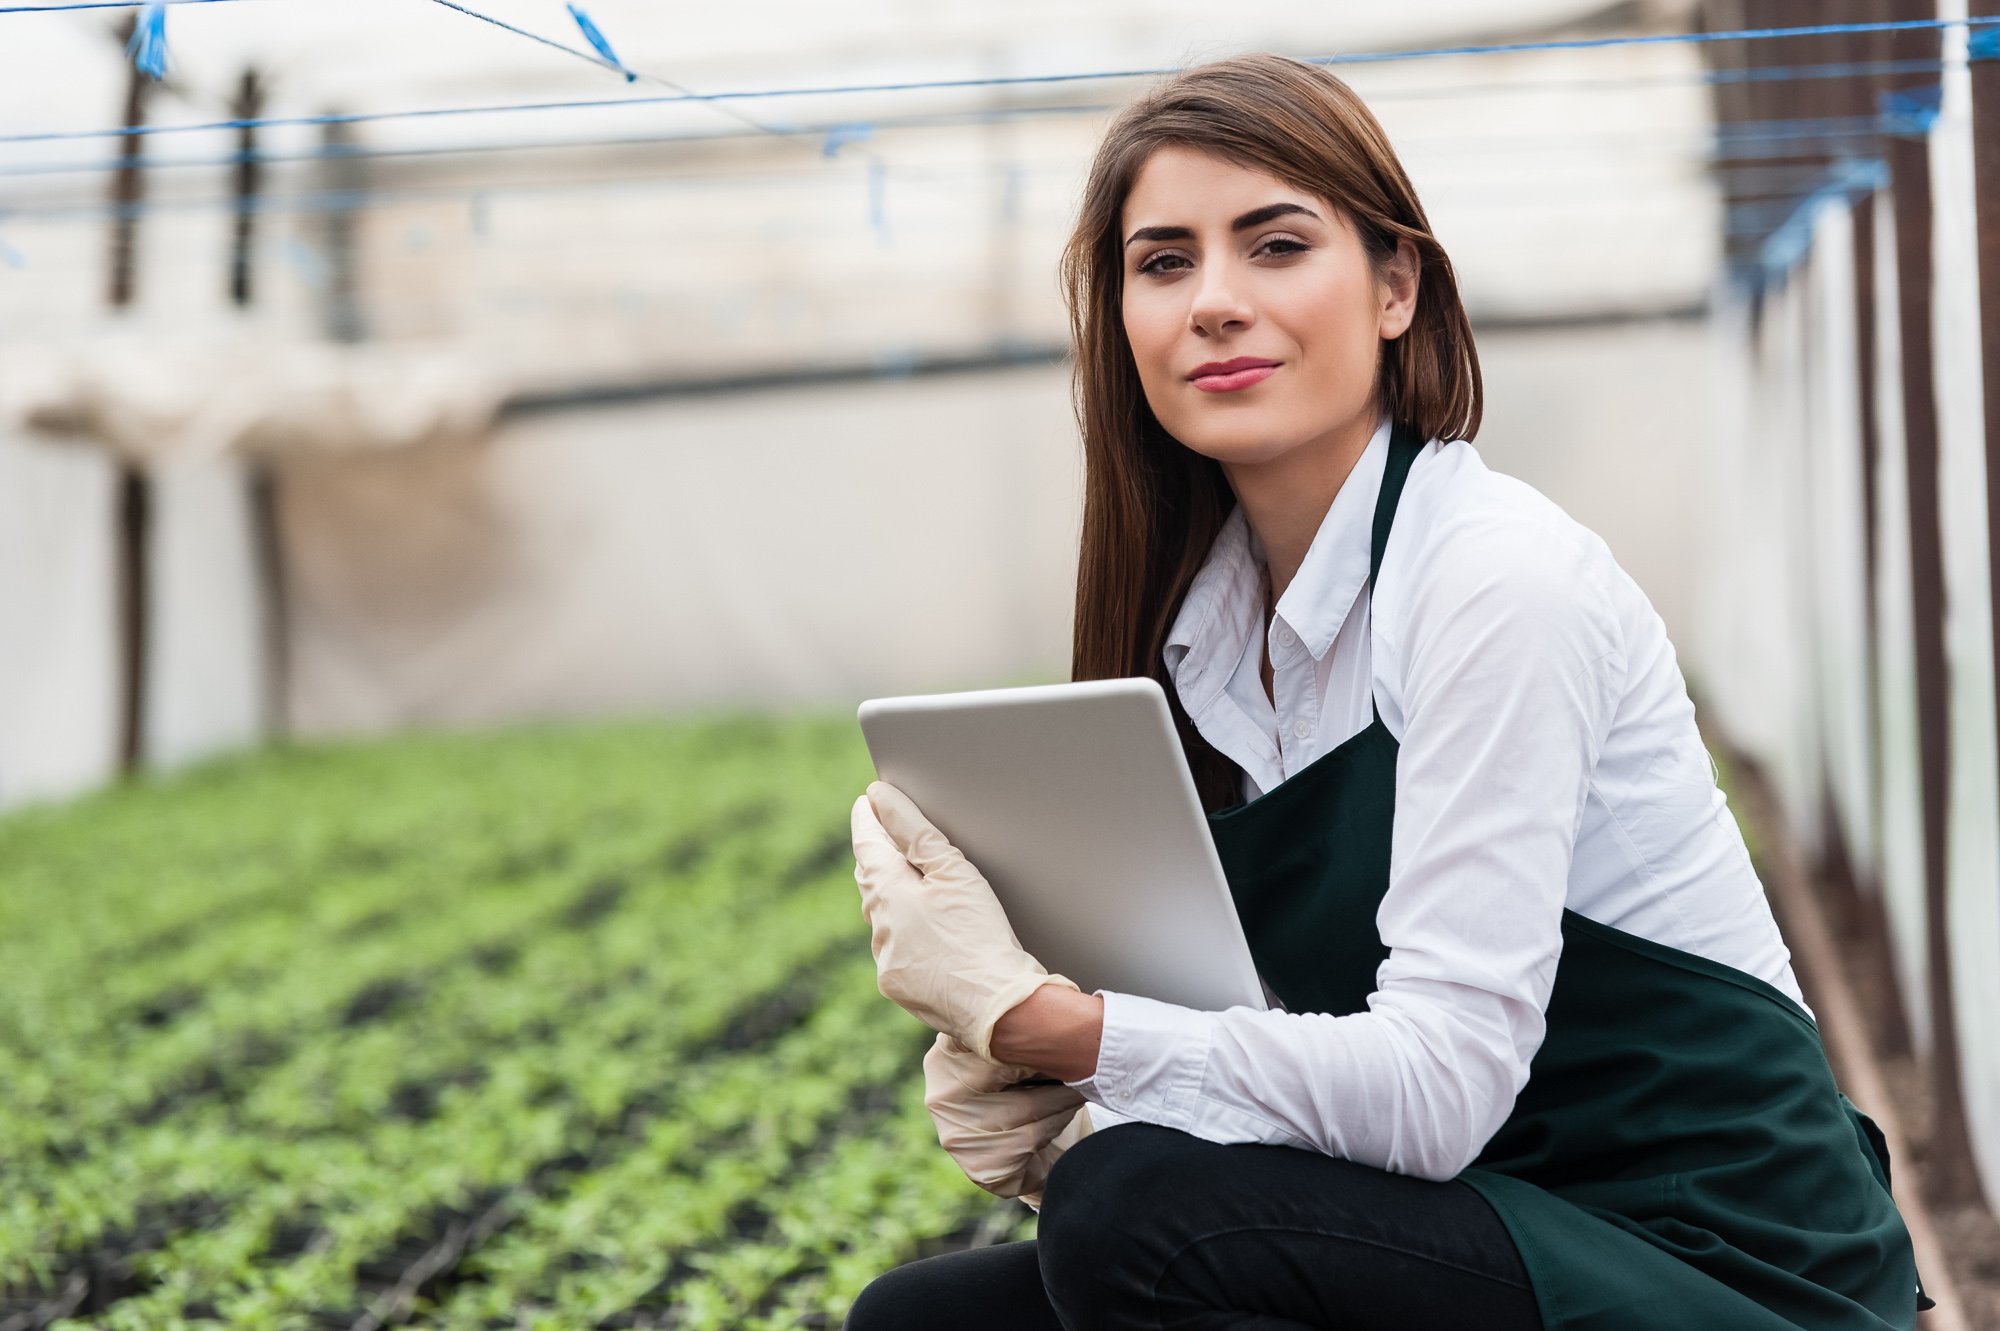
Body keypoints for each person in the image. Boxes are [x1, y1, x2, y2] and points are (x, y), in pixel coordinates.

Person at [844, 51, 1930, 1331]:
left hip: (1718, 1260)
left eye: (1275, 244)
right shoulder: (1198, 635)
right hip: (1492, 1215)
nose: (1214, 302)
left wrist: (1057, 1025)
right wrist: (1049, 1093)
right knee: (920, 1320)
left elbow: (1434, 1089)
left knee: (1137, 1214)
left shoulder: (1492, 582)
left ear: (1396, 284)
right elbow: (1283, 1058)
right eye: (1163, 261)